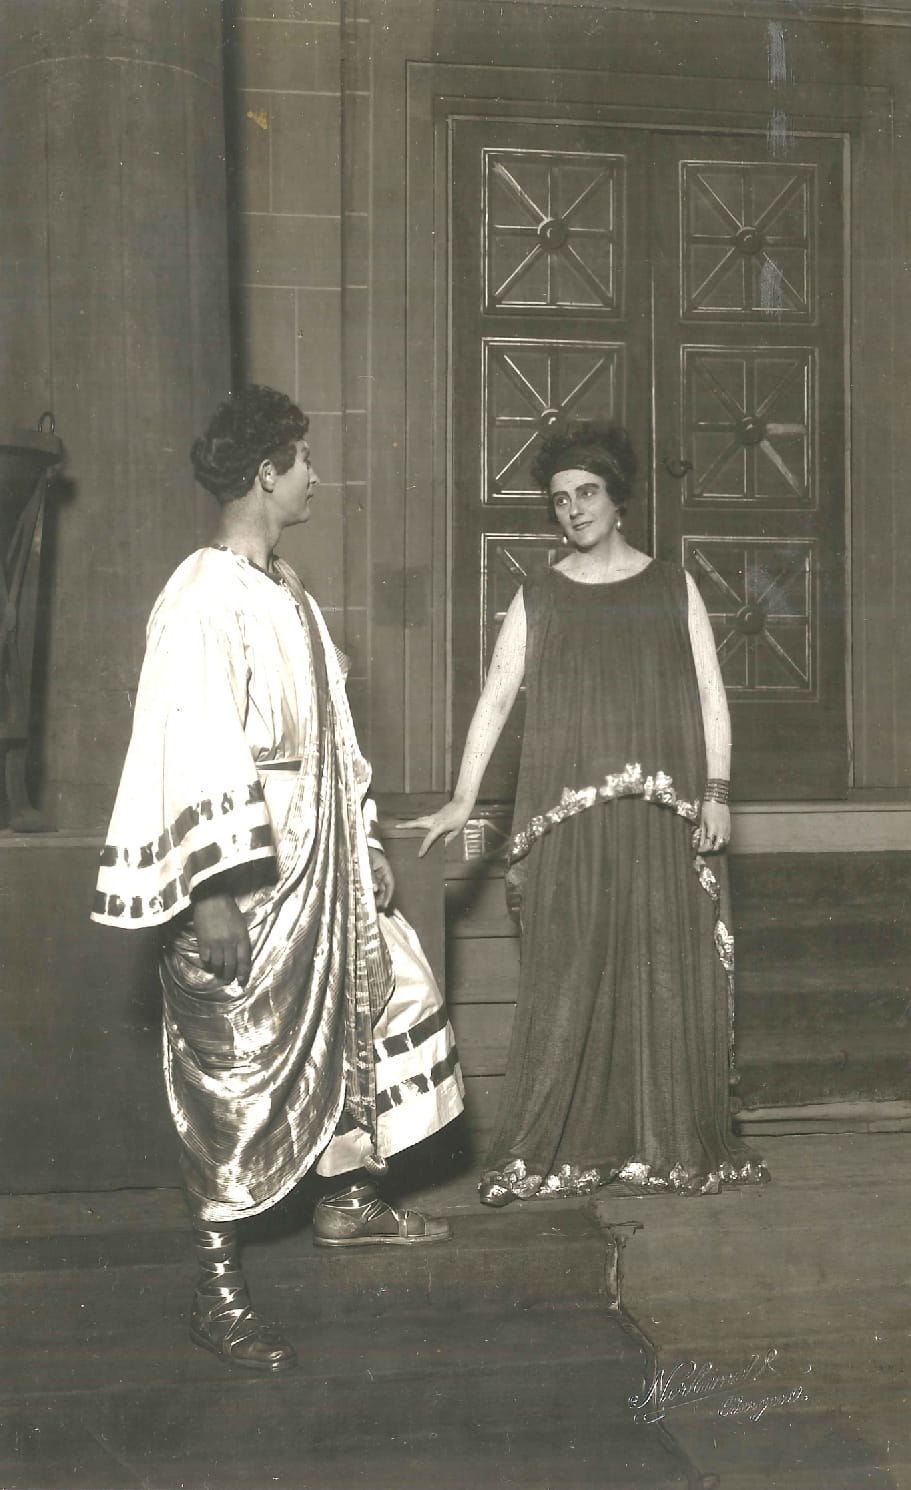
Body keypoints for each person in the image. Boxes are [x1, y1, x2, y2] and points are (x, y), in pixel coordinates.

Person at [92, 386, 462, 1373]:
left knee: (379, 999)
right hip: (248, 881)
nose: (314, 478)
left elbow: (331, 731)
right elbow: (184, 741)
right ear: (266, 473)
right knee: (236, 1074)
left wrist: (362, 839)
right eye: (302, 462)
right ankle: (217, 1293)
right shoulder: (201, 594)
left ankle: (347, 1198)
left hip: (320, 861)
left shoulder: (286, 588)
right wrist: (209, 891)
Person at [407, 420, 767, 1206]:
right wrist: (463, 797)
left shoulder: (672, 585)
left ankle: (666, 1141)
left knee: (663, 978)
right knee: (570, 978)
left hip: (661, 821)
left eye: (587, 492)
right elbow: (496, 697)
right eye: (560, 499)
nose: (573, 509)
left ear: (617, 498)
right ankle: (569, 1144)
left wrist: (716, 793)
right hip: (570, 826)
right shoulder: (538, 595)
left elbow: (711, 694)